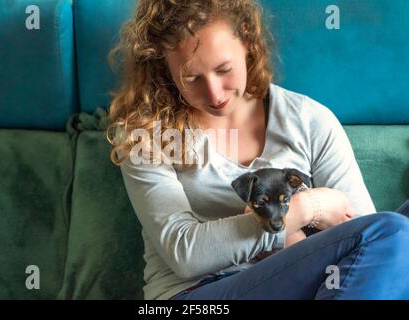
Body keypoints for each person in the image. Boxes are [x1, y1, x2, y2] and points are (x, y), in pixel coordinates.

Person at [106, 0, 409, 300]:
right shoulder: (147, 135)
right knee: (391, 232)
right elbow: (184, 253)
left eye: (224, 69)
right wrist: (307, 208)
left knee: (396, 233)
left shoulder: (308, 121)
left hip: (308, 284)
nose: (214, 93)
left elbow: (367, 247)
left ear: (248, 40)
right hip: (197, 294)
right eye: (192, 77)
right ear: (164, 67)